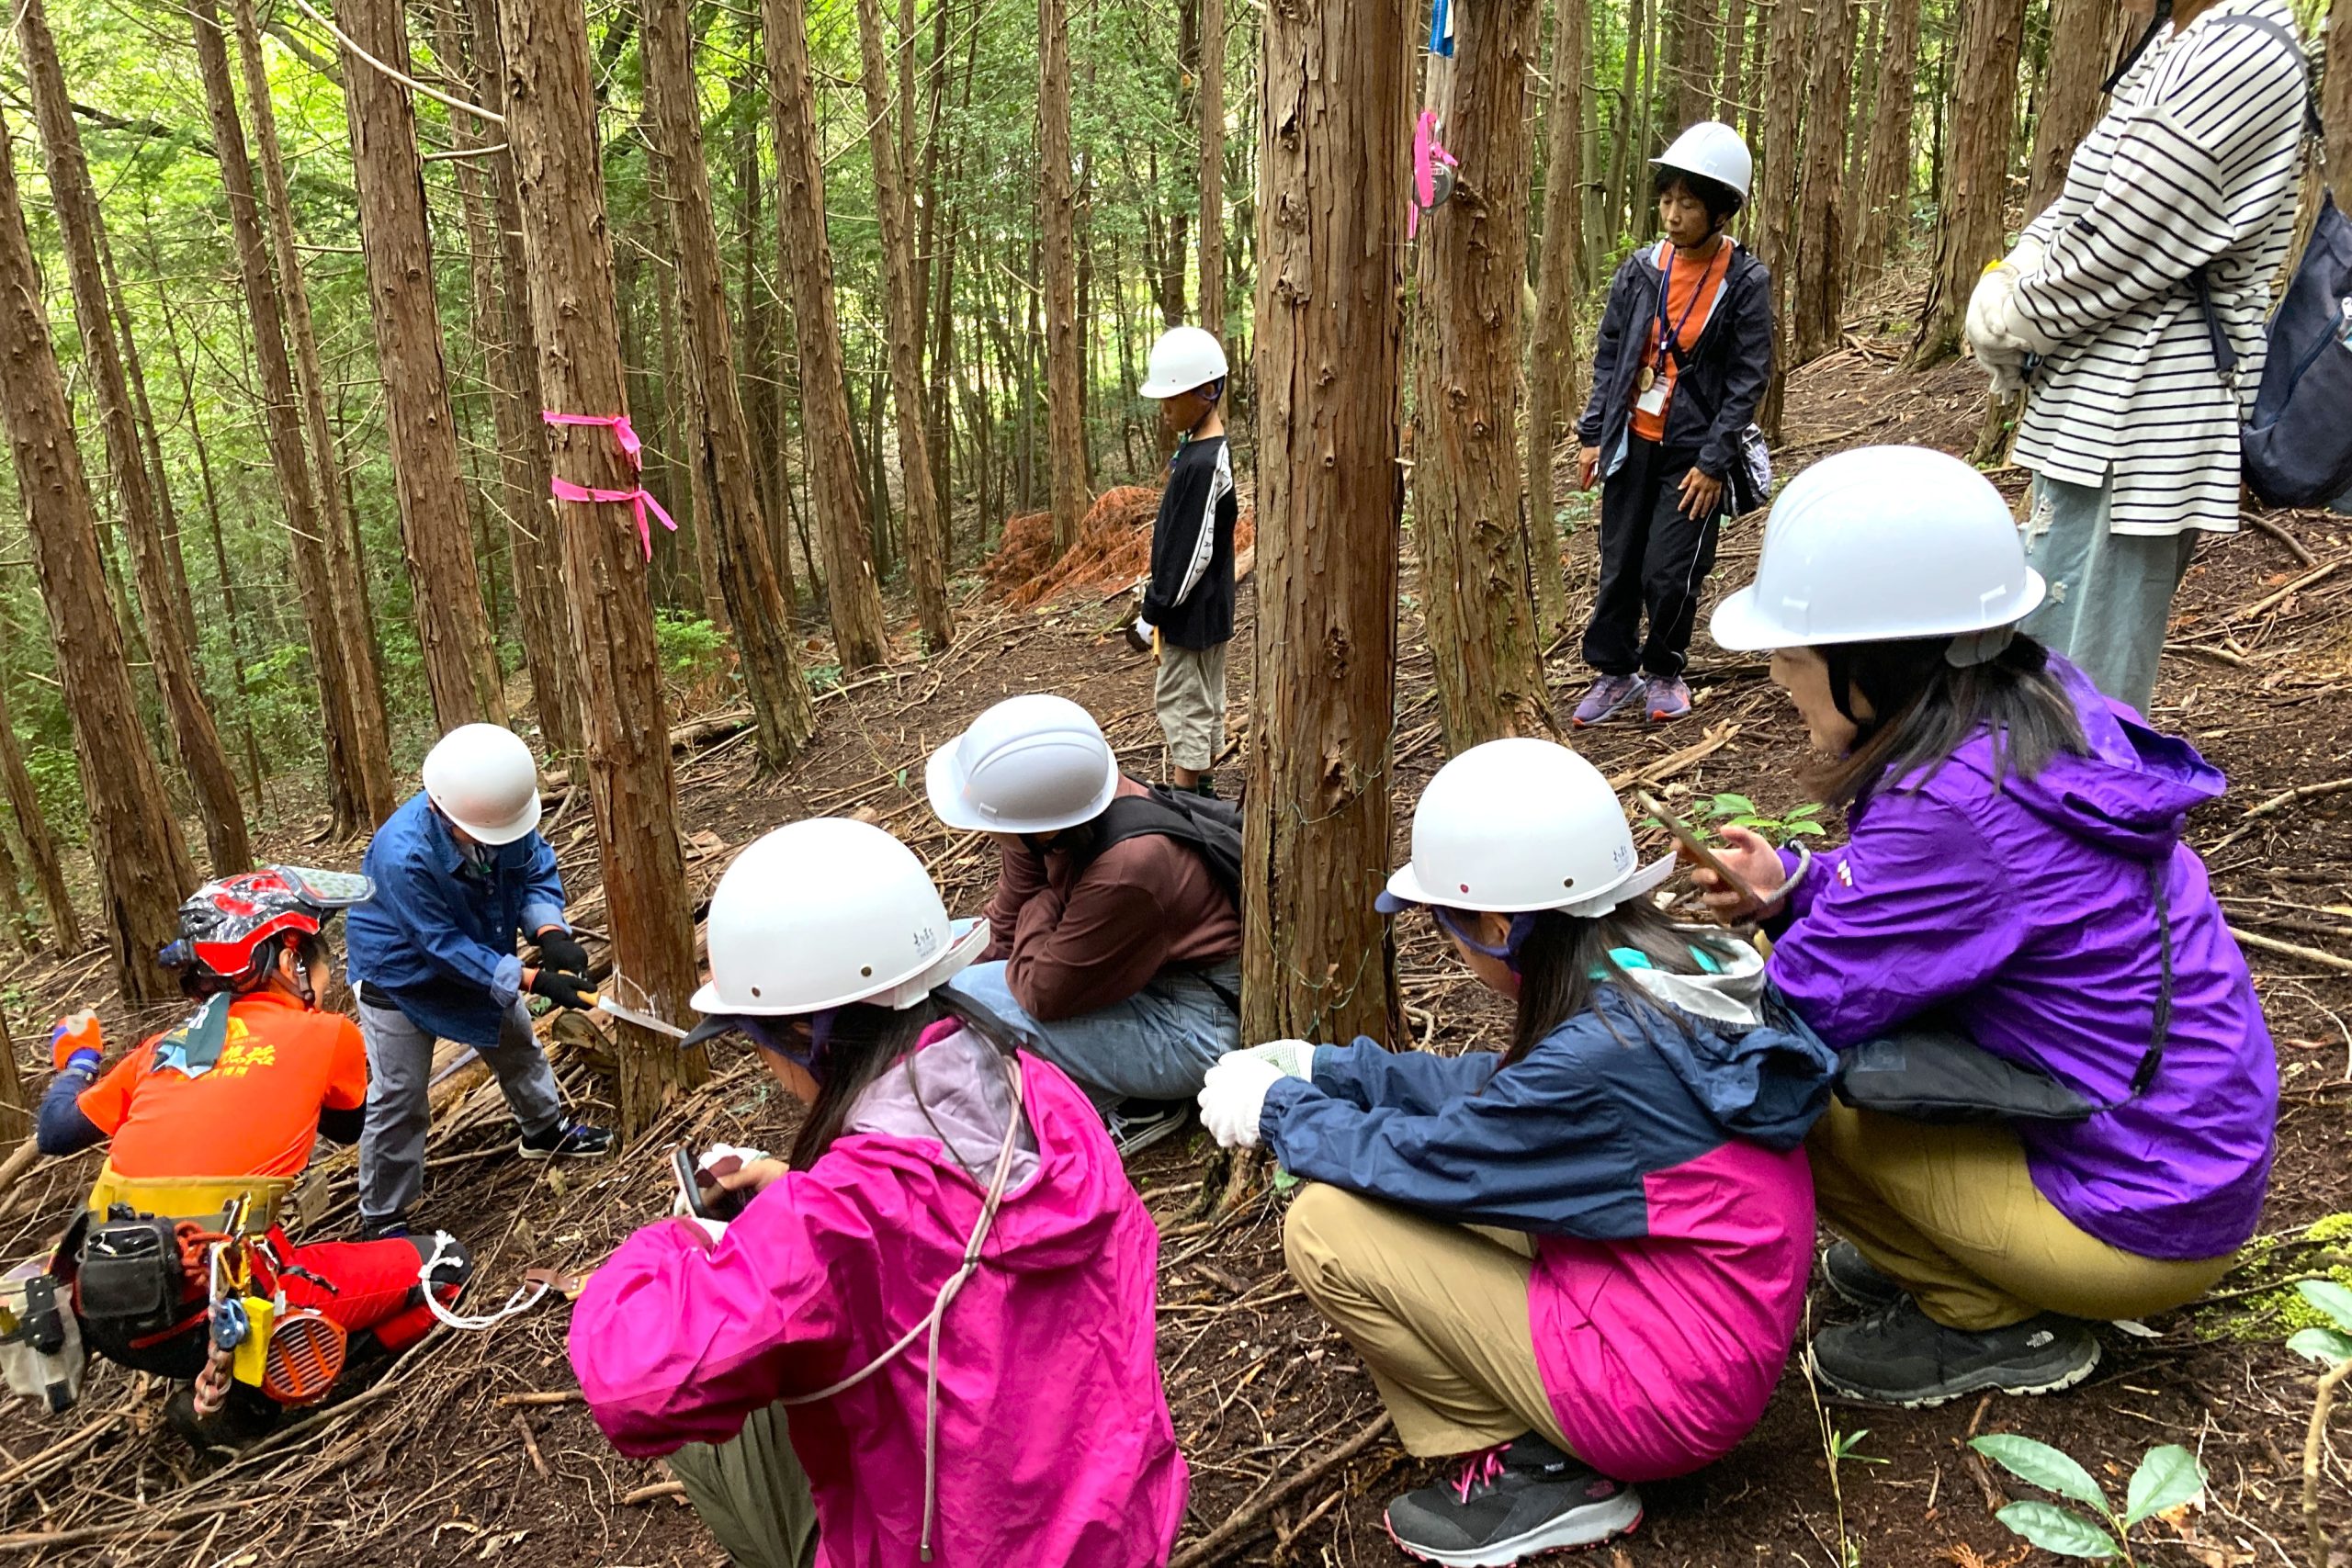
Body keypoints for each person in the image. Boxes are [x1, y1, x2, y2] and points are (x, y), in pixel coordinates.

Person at [1701, 445, 2276, 1407]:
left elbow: (1795, 1015)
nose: (1775, 679)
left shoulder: (1953, 809)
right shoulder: (2025, 711)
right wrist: (1795, 881)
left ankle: (1988, 1318)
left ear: (1873, 661)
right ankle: (1968, 1246)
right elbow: (1951, 901)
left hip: (2137, 1211)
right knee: (1795, 1020)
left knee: (1780, 1090)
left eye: (1790, 657)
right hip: (2178, 1155)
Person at [1196, 738, 1835, 1565]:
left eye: (1450, 924)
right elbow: (1501, 1094)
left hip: (1667, 1385)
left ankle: (1551, 1467)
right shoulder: (1661, 966)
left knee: (1328, 1224)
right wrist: (1334, 1068)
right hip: (1699, 1314)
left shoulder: (1599, 1054)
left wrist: (1281, 1109)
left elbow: (1438, 1158)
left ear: (1498, 924)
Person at [569, 818, 1186, 1568]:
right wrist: (798, 1192)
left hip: (957, 1548)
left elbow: (631, 1386)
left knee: (719, 1428)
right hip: (1122, 1528)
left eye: (753, 1036)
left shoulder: (839, 1217)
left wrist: (687, 1240)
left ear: (802, 1028)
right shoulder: (1043, 1094)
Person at [34, 868, 472, 1447]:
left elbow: (56, 1130)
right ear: (291, 963)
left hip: (98, 1308)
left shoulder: (162, 1049)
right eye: (319, 958)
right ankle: (253, 1396)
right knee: (445, 1266)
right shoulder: (328, 1034)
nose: (327, 972)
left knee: (265, 1246)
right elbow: (352, 1126)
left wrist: (79, 1060)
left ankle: (231, 1366)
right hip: (207, 1314)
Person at [1964, 0, 2307, 716]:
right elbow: (2087, 200)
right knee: (2041, 649)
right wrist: (2016, 263)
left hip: (2146, 405)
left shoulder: (2244, 47)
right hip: (2096, 396)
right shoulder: (2173, 40)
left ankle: (2083, 820)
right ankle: (2036, 811)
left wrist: (2014, 316)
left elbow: (2124, 239)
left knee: (2080, 679)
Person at [930, 693, 1241, 1154]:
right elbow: (1002, 926)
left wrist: (1043, 902)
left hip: (1198, 1026)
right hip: (1139, 975)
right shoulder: (1059, 814)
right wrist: (942, 965)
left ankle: (1134, 1102)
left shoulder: (1127, 866)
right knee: (949, 946)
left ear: (1040, 829)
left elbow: (1041, 994)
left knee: (973, 998)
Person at [345, 722, 611, 1240]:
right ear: (445, 812)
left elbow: (534, 870)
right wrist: (533, 979)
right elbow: (438, 945)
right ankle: (382, 1215)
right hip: (398, 978)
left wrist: (550, 932)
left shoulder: (503, 813)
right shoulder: (404, 854)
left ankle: (543, 1130)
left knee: (517, 1042)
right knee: (400, 1096)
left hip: (481, 954)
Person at [1573, 121, 1773, 728]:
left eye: (1688, 202)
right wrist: (1591, 434)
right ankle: (1614, 671)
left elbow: (1747, 378)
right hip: (1634, 439)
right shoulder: (1641, 271)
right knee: (1620, 563)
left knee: (1670, 570)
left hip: (1694, 450)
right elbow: (1613, 356)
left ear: (1720, 211)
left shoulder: (1743, 281)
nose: (1673, 213)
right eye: (1667, 200)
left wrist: (1714, 462)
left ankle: (1664, 668)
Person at [1131, 324, 1239, 794]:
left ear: (1207, 392)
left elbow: (1193, 550)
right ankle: (1206, 793)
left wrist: (1153, 611)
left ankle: (1187, 804)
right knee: (1203, 702)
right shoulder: (1200, 451)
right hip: (1203, 612)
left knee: (1184, 704)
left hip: (1188, 615)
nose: (1164, 408)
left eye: (1172, 398)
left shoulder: (1203, 462)